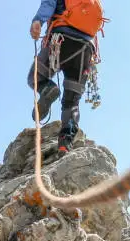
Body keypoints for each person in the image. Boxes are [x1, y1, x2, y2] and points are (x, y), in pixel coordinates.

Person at [28, 0, 107, 154]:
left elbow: (48, 5)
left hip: (61, 40)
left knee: (35, 77)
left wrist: (38, 20)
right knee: (71, 102)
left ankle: (48, 90)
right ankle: (65, 143)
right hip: (85, 50)